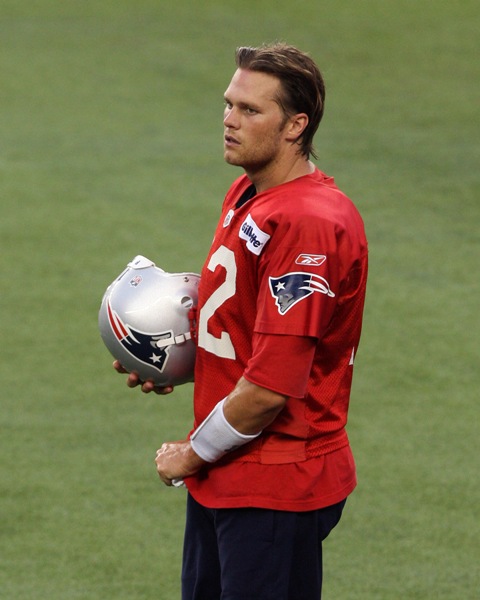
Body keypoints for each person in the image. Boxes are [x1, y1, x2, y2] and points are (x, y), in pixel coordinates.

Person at [115, 42, 368, 600]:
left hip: (274, 483)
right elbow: (241, 316)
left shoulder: (308, 225)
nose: (229, 120)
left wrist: (191, 454)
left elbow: (271, 388)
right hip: (227, 469)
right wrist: (169, 356)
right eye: (229, 104)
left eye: (250, 110)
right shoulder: (251, 189)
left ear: (296, 126)